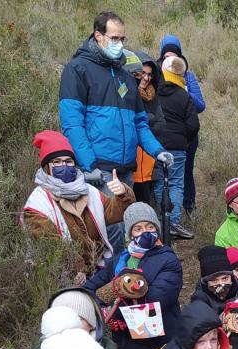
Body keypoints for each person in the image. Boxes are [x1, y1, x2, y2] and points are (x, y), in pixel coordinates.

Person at [59, 11, 171, 252]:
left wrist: (158, 151)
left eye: (122, 39)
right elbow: (72, 124)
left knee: (123, 229)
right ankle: (107, 281)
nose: (119, 44)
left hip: (126, 170)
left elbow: (140, 123)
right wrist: (89, 165)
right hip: (99, 170)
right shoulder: (77, 70)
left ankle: (122, 280)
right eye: (114, 38)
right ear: (98, 36)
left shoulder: (125, 76)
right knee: (111, 231)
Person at [84, 203, 183, 349]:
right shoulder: (119, 260)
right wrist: (100, 308)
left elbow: (156, 301)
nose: (145, 232)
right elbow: (90, 289)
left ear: (157, 230)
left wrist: (112, 310)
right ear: (130, 234)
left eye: (150, 227)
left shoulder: (168, 259)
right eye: (138, 228)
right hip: (125, 345)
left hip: (161, 344)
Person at [22, 129, 134, 281]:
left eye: (68, 161)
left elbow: (117, 213)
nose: (64, 166)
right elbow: (51, 246)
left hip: (98, 268)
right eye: (57, 162)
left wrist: (122, 195)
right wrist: (77, 270)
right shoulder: (38, 203)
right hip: (59, 276)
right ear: (47, 167)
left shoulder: (89, 191)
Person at [152, 54, 199, 239]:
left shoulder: (153, 92)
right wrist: (185, 139)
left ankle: (160, 221)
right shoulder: (184, 95)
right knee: (176, 183)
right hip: (178, 147)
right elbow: (194, 124)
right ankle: (174, 222)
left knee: (158, 182)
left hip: (156, 146)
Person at [159, 35, 206, 220]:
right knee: (161, 177)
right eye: (165, 56)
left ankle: (189, 205)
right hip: (162, 135)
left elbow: (201, 105)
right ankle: (166, 217)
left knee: (186, 171)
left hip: (186, 136)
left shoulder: (188, 76)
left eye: (173, 55)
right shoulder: (156, 73)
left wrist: (184, 90)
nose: (169, 59)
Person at [126, 52, 166, 205]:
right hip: (130, 161)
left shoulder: (152, 96)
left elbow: (162, 124)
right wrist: (149, 120)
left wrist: (144, 124)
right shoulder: (126, 94)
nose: (146, 78)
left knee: (145, 204)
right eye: (142, 73)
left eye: (149, 75)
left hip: (147, 164)